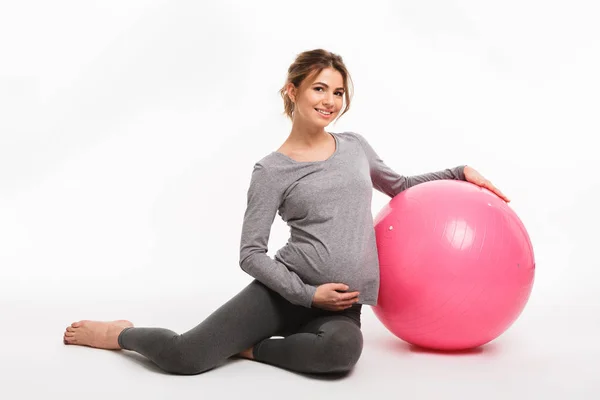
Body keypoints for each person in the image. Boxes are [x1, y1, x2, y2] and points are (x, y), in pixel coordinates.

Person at [63, 49, 509, 375]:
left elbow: (402, 186)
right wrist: (307, 295)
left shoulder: (354, 147)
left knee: (339, 356)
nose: (330, 101)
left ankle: (250, 350)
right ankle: (119, 333)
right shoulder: (271, 170)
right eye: (320, 88)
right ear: (292, 91)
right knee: (186, 357)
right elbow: (251, 253)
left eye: (338, 92)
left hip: (341, 308)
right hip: (283, 295)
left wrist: (459, 171)